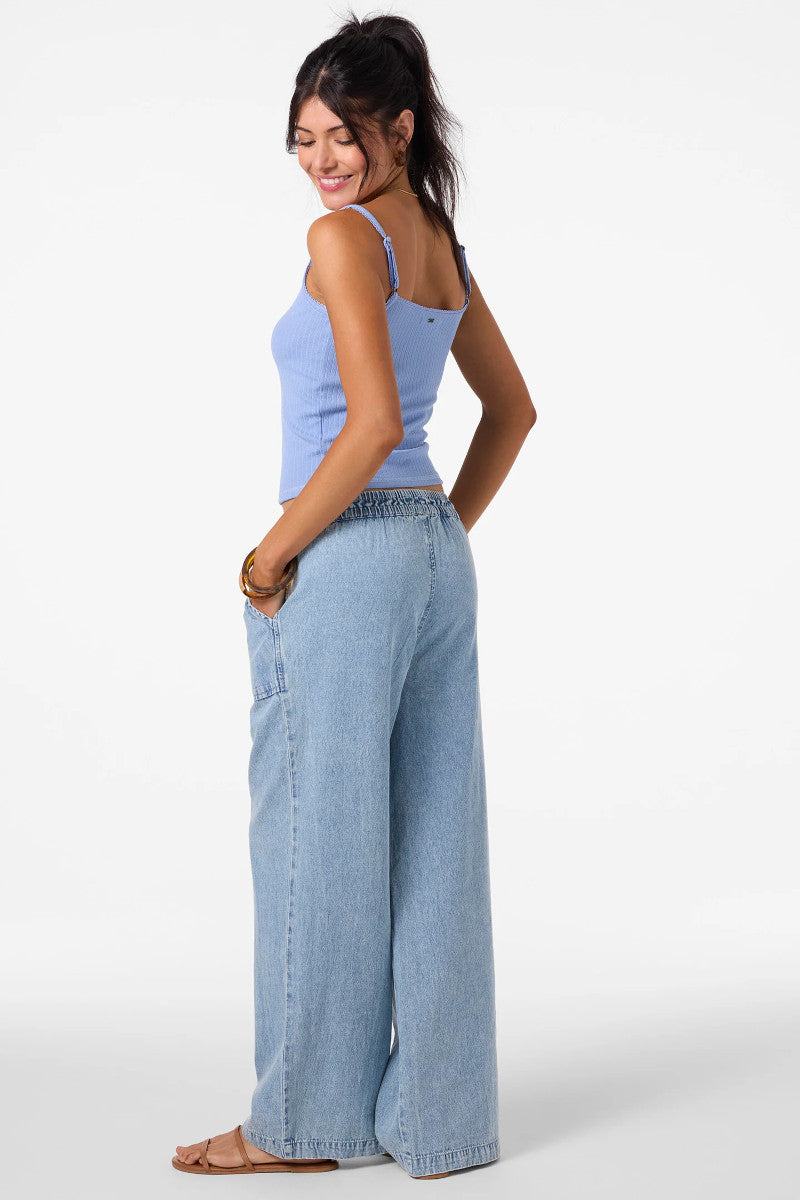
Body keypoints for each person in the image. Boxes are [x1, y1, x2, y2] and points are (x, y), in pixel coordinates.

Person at [173, 10, 535, 1182]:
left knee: (316, 842)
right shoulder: (434, 238)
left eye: (342, 135)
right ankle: (437, 1124)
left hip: (343, 552)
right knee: (435, 839)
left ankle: (300, 1128)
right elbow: (511, 414)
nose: (322, 161)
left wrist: (271, 555)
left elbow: (372, 425)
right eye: (303, 139)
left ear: (400, 126)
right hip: (431, 551)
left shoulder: (341, 244)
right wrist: (430, 536)